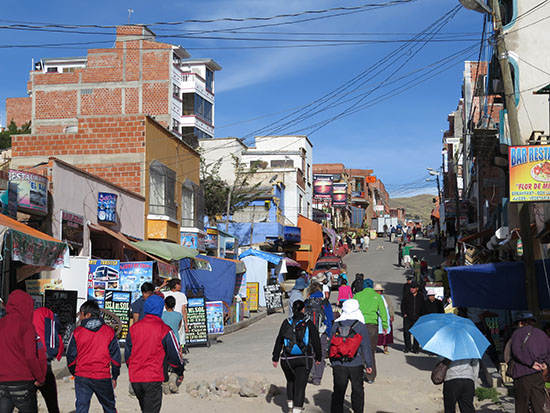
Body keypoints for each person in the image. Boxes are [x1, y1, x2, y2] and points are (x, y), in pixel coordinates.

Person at [126, 295, 184, 413]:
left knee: (145, 408)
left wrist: (132, 368)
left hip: (135, 378)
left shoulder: (133, 328)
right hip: (153, 377)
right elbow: (174, 355)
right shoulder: (164, 329)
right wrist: (179, 370)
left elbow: (128, 355)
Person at [67, 300, 121, 413]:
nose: (80, 317)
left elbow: (70, 357)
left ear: (88, 315)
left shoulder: (77, 333)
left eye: (81, 314)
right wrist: (114, 376)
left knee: (82, 408)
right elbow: (116, 358)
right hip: (102, 376)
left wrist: (75, 372)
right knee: (109, 407)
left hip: (82, 376)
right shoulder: (109, 332)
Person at [0, 290, 47, 413]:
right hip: (22, 382)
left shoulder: (1, 324)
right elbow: (30, 356)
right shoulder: (26, 326)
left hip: (2, 382)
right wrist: (40, 377)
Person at [272, 300, 322, 413]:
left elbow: (279, 340)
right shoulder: (308, 323)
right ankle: (296, 410)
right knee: (300, 386)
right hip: (303, 358)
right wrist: (318, 357)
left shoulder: (286, 322)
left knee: (290, 381)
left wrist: (275, 358)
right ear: (303, 309)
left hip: (287, 359)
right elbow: (316, 341)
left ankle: (290, 406)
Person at [329, 299, 373, 413]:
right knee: (357, 390)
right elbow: (366, 347)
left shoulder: (336, 324)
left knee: (338, 391)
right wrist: (369, 364)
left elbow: (331, 344)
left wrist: (333, 361)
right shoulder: (360, 326)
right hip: (356, 363)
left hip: (339, 363)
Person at [509, 312, 550, 413]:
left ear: (521, 323)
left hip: (522, 373)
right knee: (538, 403)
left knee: (521, 404)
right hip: (538, 373)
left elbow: (516, 352)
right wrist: (546, 363)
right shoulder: (542, 334)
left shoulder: (517, 334)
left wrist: (531, 363)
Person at [353, 278, 388, 383]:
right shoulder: (377, 297)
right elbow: (383, 312)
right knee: (371, 351)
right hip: (372, 326)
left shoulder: (357, 296)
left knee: (358, 350)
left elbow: (352, 309)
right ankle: (370, 376)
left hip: (359, 325)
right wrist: (385, 326)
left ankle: (358, 373)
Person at [33, 307, 64, 413]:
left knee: (28, 404)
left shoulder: (27, 322)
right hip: (46, 365)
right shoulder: (49, 318)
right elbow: (59, 332)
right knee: (52, 403)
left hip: (30, 367)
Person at [305, 282, 334, 386]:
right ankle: (317, 378)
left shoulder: (306, 302)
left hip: (308, 333)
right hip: (322, 333)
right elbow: (330, 319)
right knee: (320, 355)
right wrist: (329, 335)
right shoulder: (324, 303)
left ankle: (311, 372)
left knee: (310, 353)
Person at [162, 278, 189, 349]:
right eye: (179, 284)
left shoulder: (164, 294)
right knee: (180, 339)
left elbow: (154, 293)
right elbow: (184, 311)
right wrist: (186, 324)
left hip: (166, 318)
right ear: (175, 285)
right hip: (178, 319)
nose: (181, 286)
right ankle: (180, 352)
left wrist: (162, 286)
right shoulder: (182, 295)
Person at [401, 281, 424, 353]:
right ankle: (407, 347)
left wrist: (422, 315)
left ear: (417, 289)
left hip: (417, 317)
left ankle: (415, 348)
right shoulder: (406, 296)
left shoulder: (421, 296)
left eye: (413, 288)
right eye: (411, 287)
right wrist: (404, 313)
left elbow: (423, 306)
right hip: (408, 317)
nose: (412, 289)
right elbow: (402, 305)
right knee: (406, 332)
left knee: (417, 333)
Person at [373, 284, 394, 355]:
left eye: (379, 291)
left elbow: (390, 306)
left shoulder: (385, 297)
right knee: (375, 333)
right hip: (377, 317)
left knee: (386, 333)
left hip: (385, 317)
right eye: (377, 291)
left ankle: (385, 348)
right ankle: (374, 348)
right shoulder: (373, 298)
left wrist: (391, 315)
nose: (378, 292)